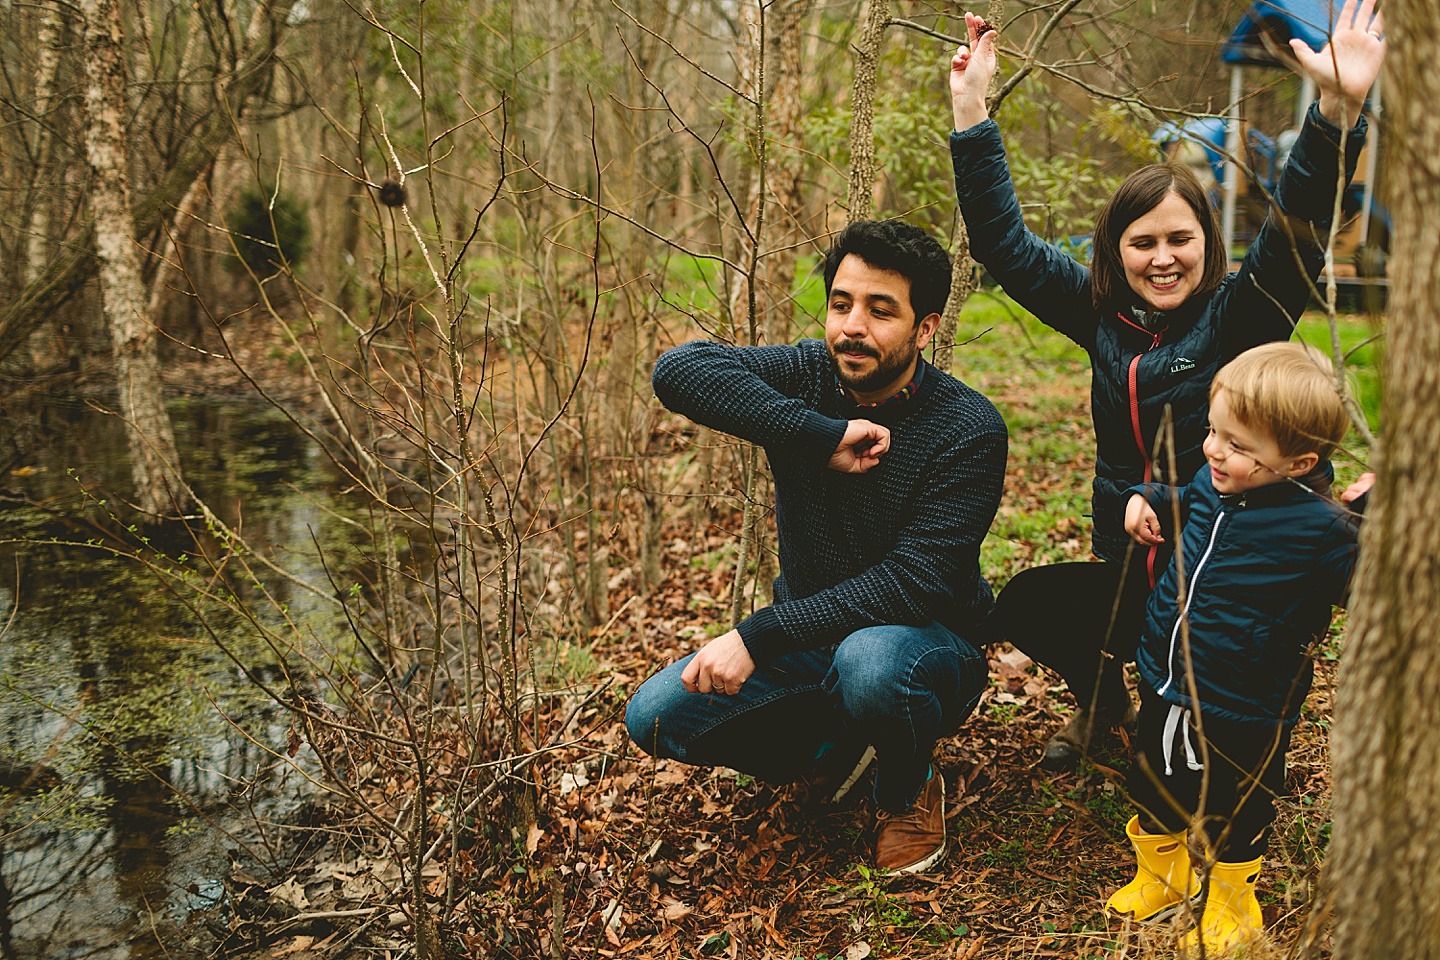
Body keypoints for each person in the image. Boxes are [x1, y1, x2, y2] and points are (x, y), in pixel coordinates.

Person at [947, 1, 1385, 767]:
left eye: (1179, 239)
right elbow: (1005, 247)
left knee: (1186, 727)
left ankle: (1241, 744)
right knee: (1028, 605)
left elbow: (1297, 228)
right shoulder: (1101, 317)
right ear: (1116, 254)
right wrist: (971, 108)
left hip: (1226, 561)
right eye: (1141, 242)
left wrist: (1335, 112)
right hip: (1130, 550)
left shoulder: (1241, 316)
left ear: (1206, 244)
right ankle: (1104, 702)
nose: (1162, 258)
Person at [624, 220, 1008, 874]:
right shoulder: (808, 375)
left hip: (923, 642)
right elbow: (679, 370)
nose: (851, 326)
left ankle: (907, 786)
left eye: (880, 310)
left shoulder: (967, 428)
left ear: (926, 329)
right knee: (653, 719)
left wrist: (759, 635)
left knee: (872, 662)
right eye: (841, 303)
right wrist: (818, 434)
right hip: (813, 637)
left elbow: (913, 585)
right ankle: (843, 746)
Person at [1105, 342, 1358, 952]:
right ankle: (1162, 875)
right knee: (1154, 777)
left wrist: (1382, 518)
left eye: (1239, 445)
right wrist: (1146, 496)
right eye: (1215, 431)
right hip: (1166, 676)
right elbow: (1188, 499)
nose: (1215, 449)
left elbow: (1379, 587)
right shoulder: (1211, 479)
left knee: (1235, 803)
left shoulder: (1323, 530)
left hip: (1245, 702)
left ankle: (1230, 899)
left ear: (1298, 462)